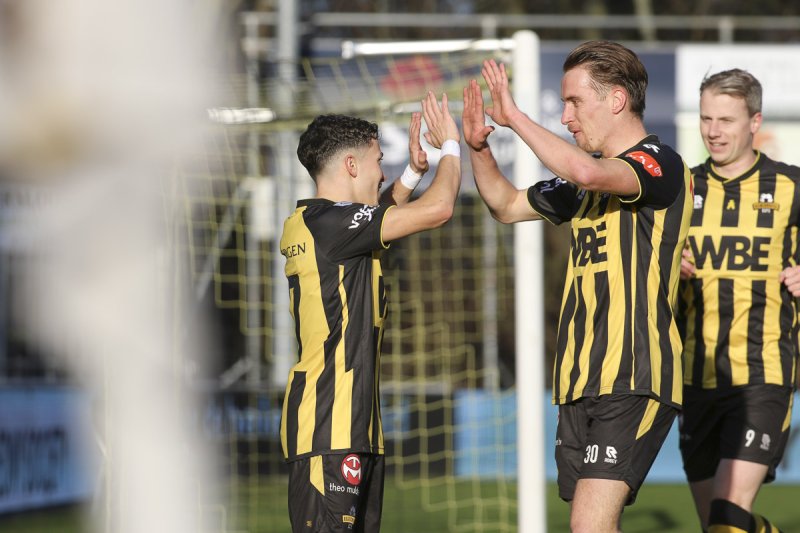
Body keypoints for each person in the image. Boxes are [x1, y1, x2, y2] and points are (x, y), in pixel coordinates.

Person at [462, 41, 693, 532]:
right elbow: (505, 205)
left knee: (589, 525)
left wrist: (515, 118)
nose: (566, 116)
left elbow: (587, 171)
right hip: (578, 378)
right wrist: (479, 148)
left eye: (574, 102)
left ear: (616, 100)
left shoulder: (660, 162)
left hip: (633, 372)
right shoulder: (583, 188)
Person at [279, 92, 462, 532]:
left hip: (352, 426)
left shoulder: (322, 223)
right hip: (330, 425)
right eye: (379, 161)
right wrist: (451, 147)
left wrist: (414, 173)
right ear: (351, 165)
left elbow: (375, 217)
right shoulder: (330, 225)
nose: (382, 172)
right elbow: (439, 210)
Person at [677, 68, 800, 533]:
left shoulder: (791, 186)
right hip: (694, 378)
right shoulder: (680, 190)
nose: (713, 131)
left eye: (726, 120)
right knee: (718, 525)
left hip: (763, 375)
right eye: (706, 118)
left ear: (755, 122)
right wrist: (665, 267)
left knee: (726, 520)